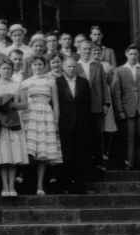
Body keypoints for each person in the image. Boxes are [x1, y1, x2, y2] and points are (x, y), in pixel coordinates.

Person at [20, 55, 63, 195]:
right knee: (29, 149)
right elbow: (23, 103)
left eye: (40, 64)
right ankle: (24, 178)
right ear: (31, 66)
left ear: (45, 66)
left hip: (46, 116)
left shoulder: (51, 82)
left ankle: (40, 186)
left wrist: (56, 121)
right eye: (34, 65)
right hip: (30, 116)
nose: (37, 67)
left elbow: (56, 104)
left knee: (43, 152)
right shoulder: (25, 82)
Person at [0, 59, 29, 197]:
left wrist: (11, 104)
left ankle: (12, 186)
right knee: (4, 156)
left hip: (13, 122)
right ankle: (4, 186)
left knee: (13, 156)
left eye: (9, 69)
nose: (6, 71)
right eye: (3, 68)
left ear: (12, 70)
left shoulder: (18, 85)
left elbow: (25, 105)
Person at [112, 44, 140, 171]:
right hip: (127, 109)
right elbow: (117, 92)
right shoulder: (119, 70)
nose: (133, 56)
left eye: (135, 54)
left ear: (139, 55)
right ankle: (128, 163)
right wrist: (119, 110)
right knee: (129, 138)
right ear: (126, 54)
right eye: (131, 54)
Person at [56, 57, 92, 193]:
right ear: (63, 68)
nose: (72, 69)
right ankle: (66, 186)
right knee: (67, 156)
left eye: (74, 66)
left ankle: (80, 186)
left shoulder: (84, 82)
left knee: (81, 155)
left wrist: (86, 120)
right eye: (69, 66)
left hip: (81, 123)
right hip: (65, 123)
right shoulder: (57, 82)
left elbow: (88, 103)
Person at [77, 41, 110, 173]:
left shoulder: (98, 66)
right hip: (81, 107)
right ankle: (84, 164)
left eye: (89, 49)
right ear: (79, 50)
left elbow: (104, 86)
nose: (87, 51)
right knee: (83, 136)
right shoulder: (76, 66)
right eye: (84, 49)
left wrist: (106, 103)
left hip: (96, 105)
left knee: (97, 136)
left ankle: (98, 163)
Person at [92, 42, 118, 159]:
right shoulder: (89, 64)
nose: (96, 53)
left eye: (98, 51)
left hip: (105, 95)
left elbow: (111, 83)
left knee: (106, 125)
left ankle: (105, 152)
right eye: (94, 50)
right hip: (93, 97)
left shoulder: (106, 65)